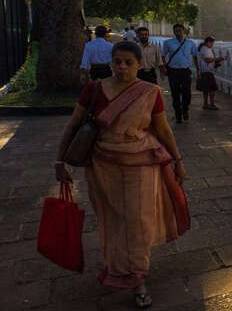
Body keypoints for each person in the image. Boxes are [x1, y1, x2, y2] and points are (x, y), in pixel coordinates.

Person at [55, 41, 189, 309]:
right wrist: (60, 161)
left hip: (141, 164)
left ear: (140, 64)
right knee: (113, 220)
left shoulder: (149, 92)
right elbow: (73, 125)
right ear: (110, 63)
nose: (122, 67)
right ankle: (117, 267)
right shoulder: (94, 89)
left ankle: (137, 278)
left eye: (129, 62)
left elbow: (163, 130)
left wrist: (178, 160)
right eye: (117, 62)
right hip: (102, 165)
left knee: (138, 220)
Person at [162, 24, 199, 123]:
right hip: (173, 71)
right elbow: (163, 55)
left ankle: (185, 109)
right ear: (174, 32)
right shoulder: (168, 43)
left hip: (185, 71)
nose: (178, 32)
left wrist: (198, 70)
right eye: (176, 31)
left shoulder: (190, 43)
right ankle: (178, 114)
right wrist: (164, 68)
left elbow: (195, 56)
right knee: (175, 93)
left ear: (183, 31)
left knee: (187, 93)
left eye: (180, 30)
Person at [196, 37, 225, 110]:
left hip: (205, 71)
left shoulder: (205, 49)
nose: (212, 44)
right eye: (212, 43)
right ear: (208, 42)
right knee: (212, 88)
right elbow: (208, 60)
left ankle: (205, 104)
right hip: (207, 72)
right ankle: (212, 104)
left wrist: (215, 63)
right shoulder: (205, 49)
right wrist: (218, 58)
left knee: (206, 89)